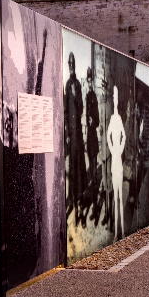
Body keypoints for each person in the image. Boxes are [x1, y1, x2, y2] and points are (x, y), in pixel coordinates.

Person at [63, 53, 86, 223]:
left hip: (78, 133)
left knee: (78, 167)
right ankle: (71, 200)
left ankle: (78, 203)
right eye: (69, 65)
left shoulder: (77, 85)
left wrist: (75, 94)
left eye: (73, 65)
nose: (71, 67)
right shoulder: (67, 84)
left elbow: (80, 108)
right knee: (70, 168)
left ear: (75, 66)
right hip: (70, 134)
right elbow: (65, 110)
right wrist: (66, 134)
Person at [106, 86, 126, 240]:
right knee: (115, 196)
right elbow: (108, 136)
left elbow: (124, 136)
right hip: (115, 159)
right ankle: (117, 233)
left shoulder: (118, 119)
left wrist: (119, 149)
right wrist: (113, 150)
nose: (115, 100)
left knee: (120, 197)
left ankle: (123, 231)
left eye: (117, 97)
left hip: (118, 157)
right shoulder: (113, 119)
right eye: (114, 97)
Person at [84, 67, 100, 224]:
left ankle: (96, 203)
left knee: (94, 168)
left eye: (91, 81)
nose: (89, 84)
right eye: (88, 82)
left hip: (94, 136)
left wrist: (93, 122)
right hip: (88, 137)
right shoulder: (87, 96)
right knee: (90, 167)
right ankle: (91, 195)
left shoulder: (94, 96)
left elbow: (98, 120)